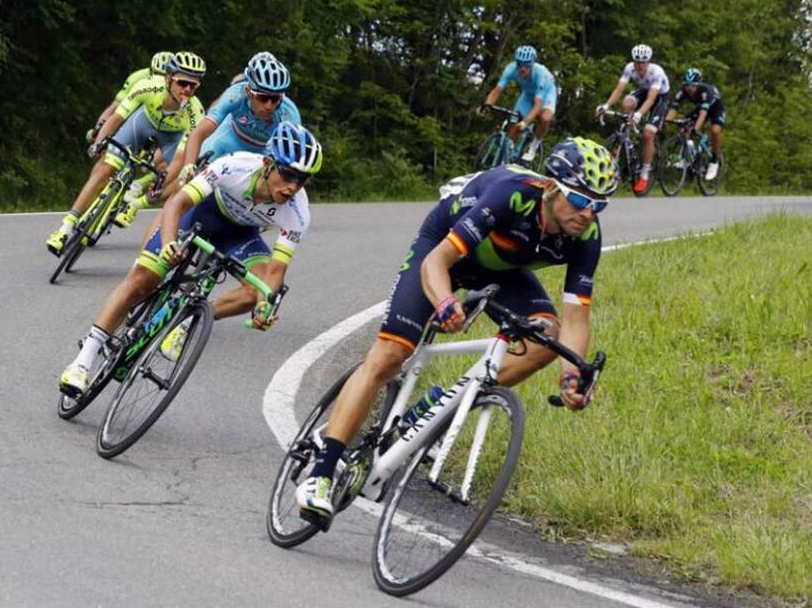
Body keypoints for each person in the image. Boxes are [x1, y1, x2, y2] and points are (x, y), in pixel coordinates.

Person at [295, 138, 618, 526]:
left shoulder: (586, 236)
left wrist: (571, 376)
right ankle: (322, 470)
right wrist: (446, 302)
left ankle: (436, 409)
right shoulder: (510, 195)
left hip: (501, 270)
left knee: (547, 338)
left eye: (599, 205)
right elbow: (438, 261)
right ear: (551, 188)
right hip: (446, 250)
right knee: (390, 354)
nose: (588, 213)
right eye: (580, 200)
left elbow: (577, 317)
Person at [58, 122, 323, 396]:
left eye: (302, 179)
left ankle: (187, 317)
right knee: (143, 277)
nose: (293, 187)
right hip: (201, 213)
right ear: (268, 163)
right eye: (288, 174)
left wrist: (264, 306)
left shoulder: (298, 211)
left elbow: (276, 271)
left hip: (240, 234)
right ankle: (83, 360)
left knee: (257, 291)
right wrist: (170, 242)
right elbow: (177, 203)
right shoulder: (235, 166)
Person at [46, 52, 206, 253]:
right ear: (168, 78)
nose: (188, 90)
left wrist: (162, 181)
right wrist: (100, 142)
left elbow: (181, 157)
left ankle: (135, 203)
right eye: (183, 83)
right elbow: (117, 117)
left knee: (183, 177)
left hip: (172, 137)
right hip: (143, 124)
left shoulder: (195, 112)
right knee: (105, 169)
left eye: (194, 85)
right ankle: (65, 227)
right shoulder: (148, 85)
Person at [175, 51, 301, 196]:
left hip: (263, 150)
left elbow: (292, 156)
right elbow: (199, 133)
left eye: (275, 99)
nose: (268, 105)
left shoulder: (289, 113)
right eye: (262, 98)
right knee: (192, 182)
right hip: (229, 138)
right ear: (248, 91)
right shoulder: (234, 95)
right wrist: (189, 165)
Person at [595, 44, 669, 195]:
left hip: (659, 97)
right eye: (636, 62)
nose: (639, 65)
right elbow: (619, 89)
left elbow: (651, 99)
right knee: (627, 102)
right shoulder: (629, 68)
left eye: (643, 62)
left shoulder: (657, 72)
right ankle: (626, 136)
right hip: (644, 91)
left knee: (648, 134)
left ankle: (644, 173)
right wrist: (606, 105)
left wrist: (639, 114)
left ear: (648, 62)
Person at [477, 45, 559, 165]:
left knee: (545, 118)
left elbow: (537, 105)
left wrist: (525, 123)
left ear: (532, 64)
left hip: (546, 94)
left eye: (526, 65)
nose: (522, 69)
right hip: (528, 94)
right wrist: (485, 106)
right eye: (519, 64)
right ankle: (509, 159)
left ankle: (534, 146)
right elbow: (497, 91)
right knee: (514, 125)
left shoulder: (540, 74)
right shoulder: (510, 69)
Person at [86, 51, 174, 144]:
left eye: (165, 77)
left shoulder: (180, 85)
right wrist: (99, 131)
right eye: (157, 74)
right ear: (151, 70)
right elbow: (115, 107)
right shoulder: (137, 77)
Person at [665, 68, 725, 181]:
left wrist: (695, 129)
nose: (689, 88)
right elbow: (674, 108)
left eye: (692, 86)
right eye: (687, 85)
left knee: (715, 131)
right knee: (685, 127)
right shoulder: (682, 91)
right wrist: (666, 123)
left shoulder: (706, 91)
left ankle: (714, 161)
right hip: (701, 108)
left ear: (698, 84)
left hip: (716, 108)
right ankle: (685, 157)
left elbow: (703, 115)